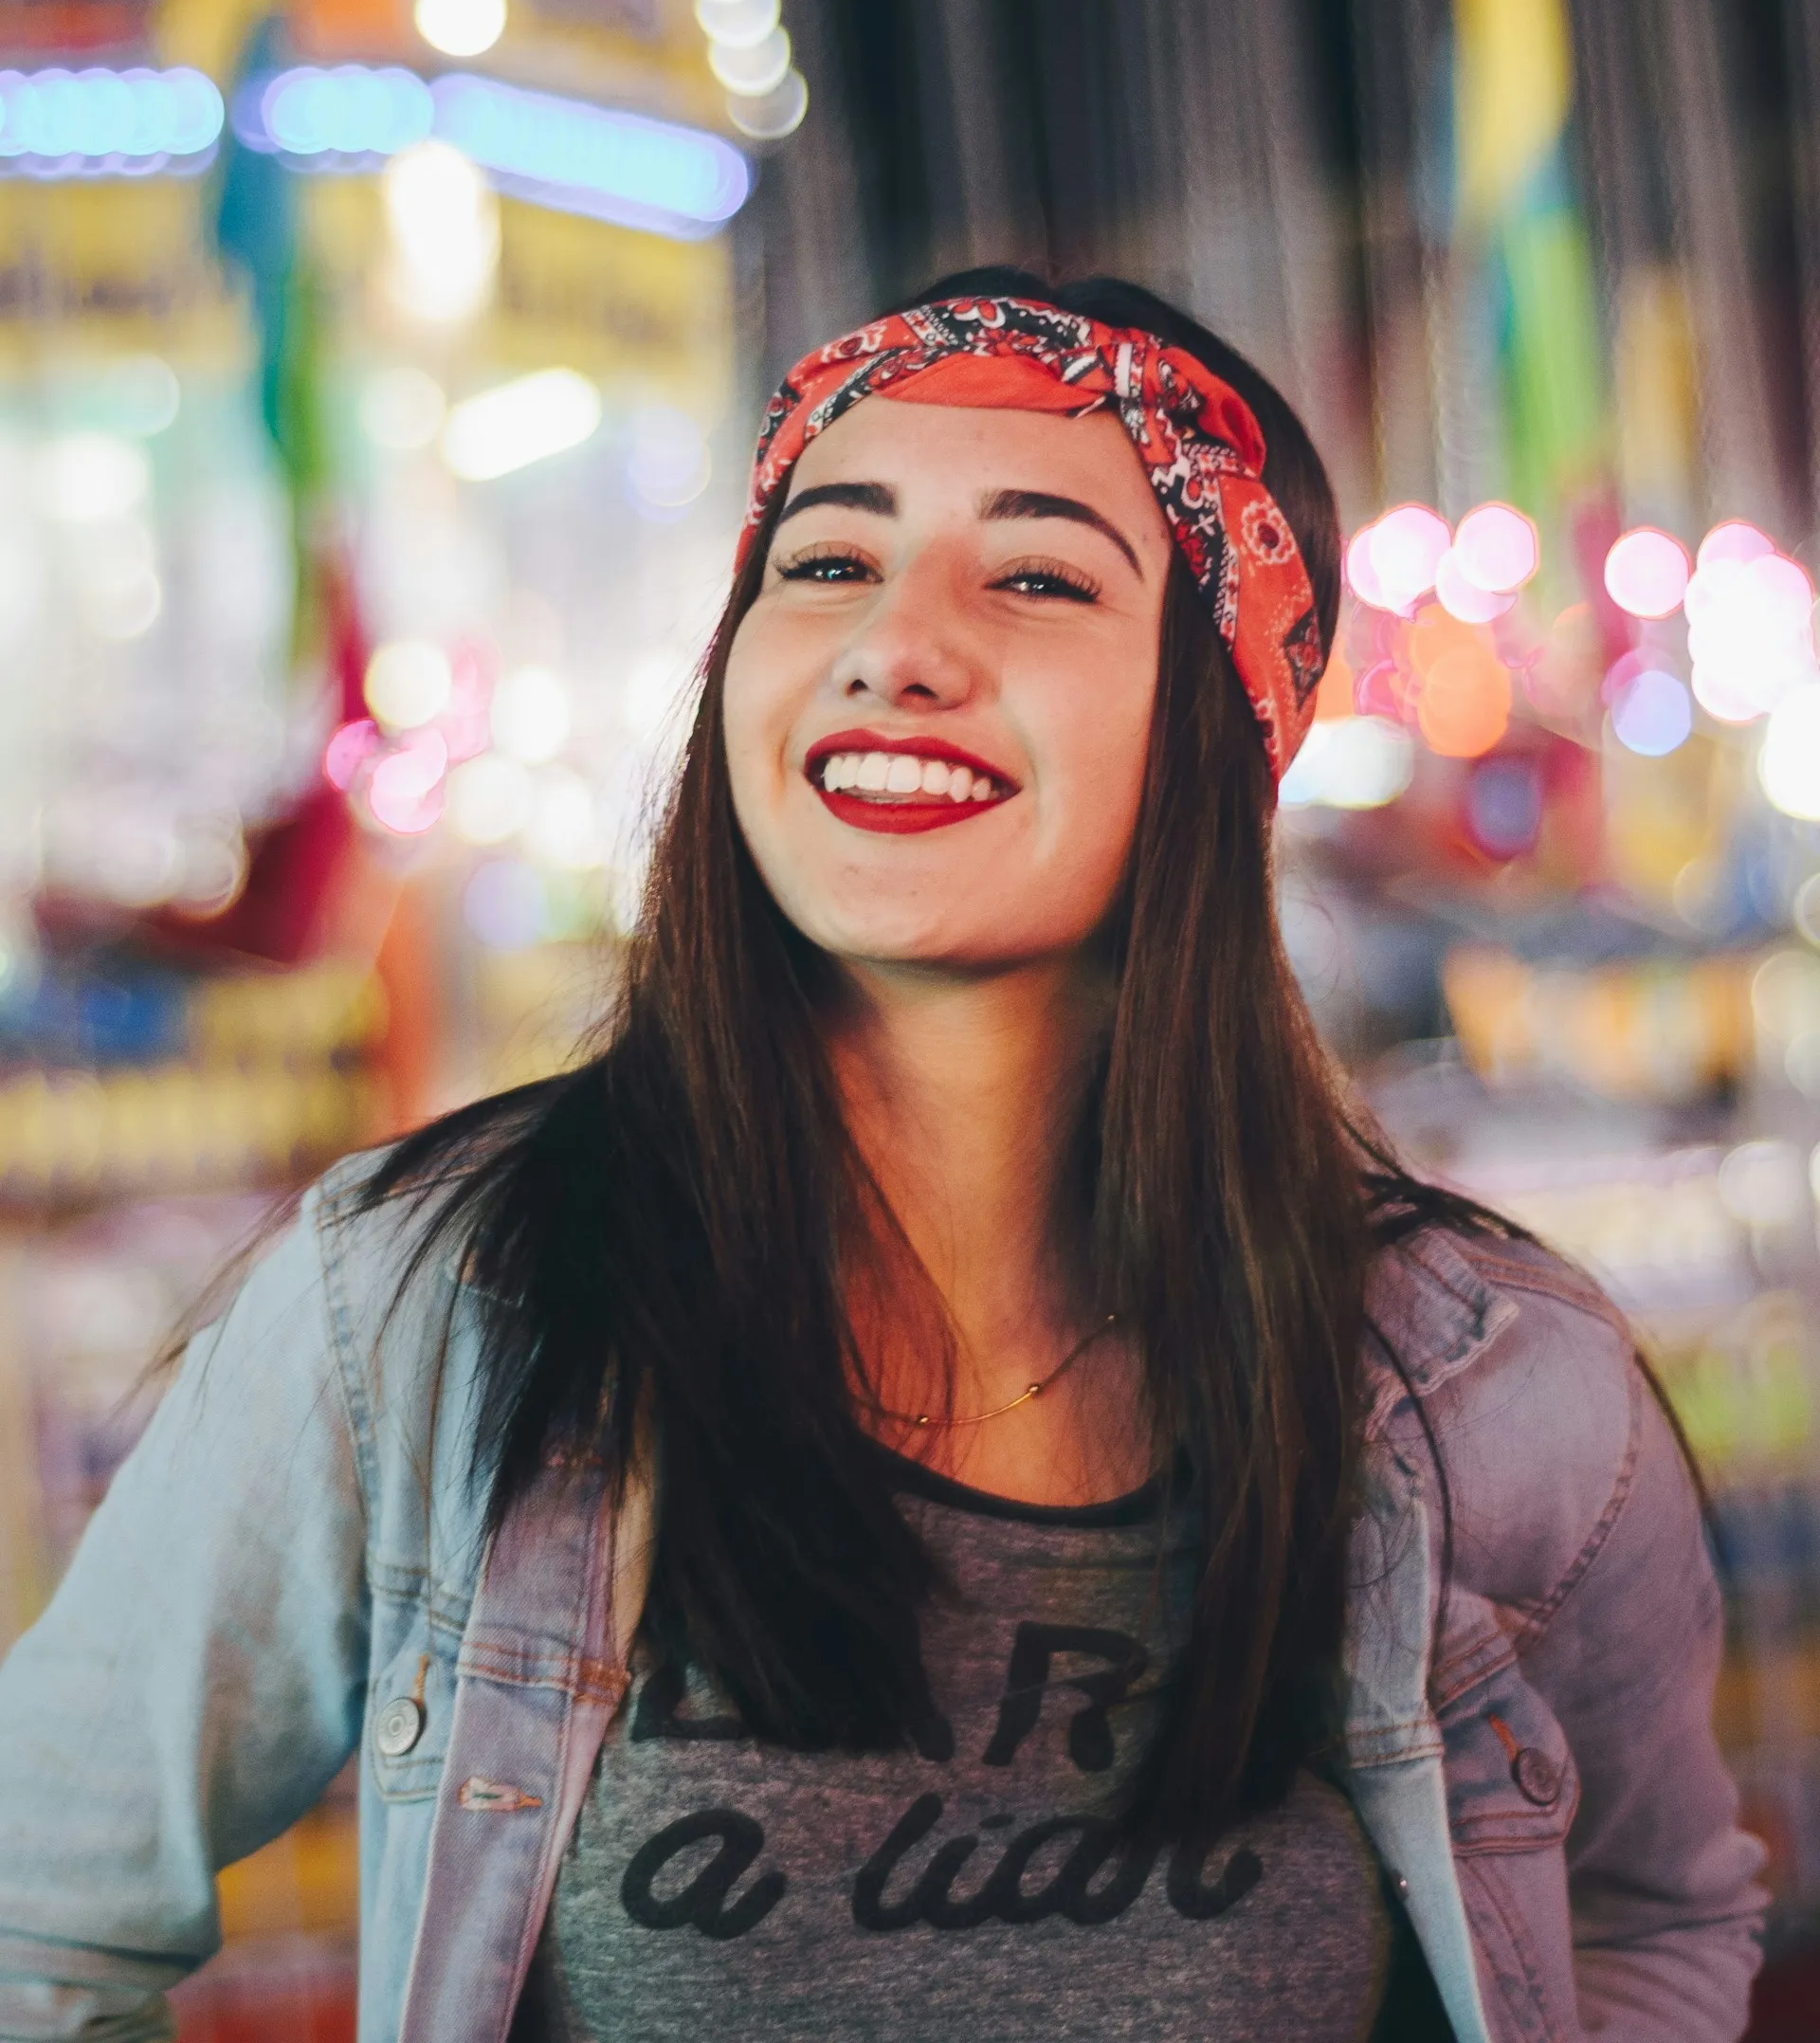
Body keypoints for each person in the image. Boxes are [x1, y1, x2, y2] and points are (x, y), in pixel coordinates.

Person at [0, 273, 1764, 2043]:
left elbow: (1649, 1921)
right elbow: (35, 1916)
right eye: (827, 560)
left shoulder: (1495, 1383)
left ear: (1229, 721)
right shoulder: (430, 1304)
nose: (896, 640)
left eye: (1039, 576)